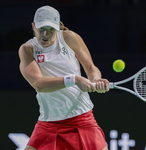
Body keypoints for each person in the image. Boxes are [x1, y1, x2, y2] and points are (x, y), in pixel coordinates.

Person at [19, 5, 109, 150]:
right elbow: (38, 83)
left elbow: (90, 67)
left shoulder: (69, 38)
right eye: (41, 29)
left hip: (81, 118)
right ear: (33, 26)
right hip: (49, 123)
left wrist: (96, 79)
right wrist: (74, 79)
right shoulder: (27, 50)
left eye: (51, 30)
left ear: (57, 28)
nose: (45, 34)